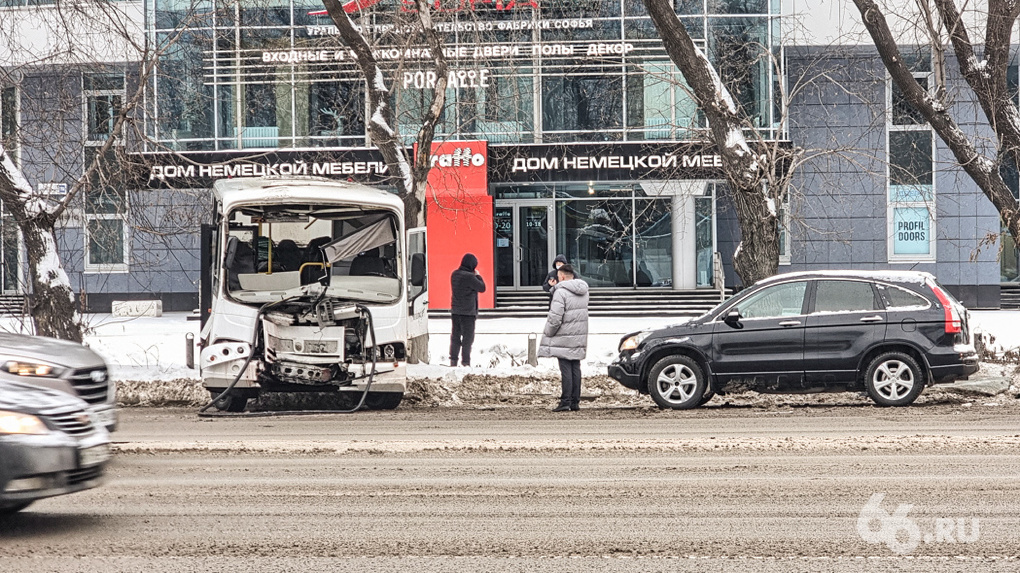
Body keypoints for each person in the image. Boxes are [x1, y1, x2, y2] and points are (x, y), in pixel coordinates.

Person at [537, 264, 589, 412]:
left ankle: (565, 401)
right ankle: (575, 402)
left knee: (565, 368)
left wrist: (548, 332)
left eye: (558, 276)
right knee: (575, 368)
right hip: (578, 334)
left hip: (563, 336)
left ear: (562, 277)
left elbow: (555, 318)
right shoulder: (583, 291)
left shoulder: (561, 293)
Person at [449, 253, 486, 367]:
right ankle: (466, 362)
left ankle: (453, 360)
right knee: (467, 338)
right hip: (468, 313)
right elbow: (482, 288)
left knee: (455, 336)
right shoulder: (470, 277)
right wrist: (478, 276)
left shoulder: (454, 274)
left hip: (455, 311)